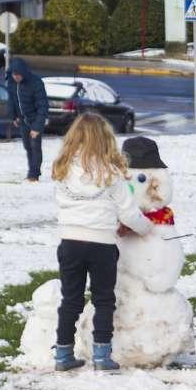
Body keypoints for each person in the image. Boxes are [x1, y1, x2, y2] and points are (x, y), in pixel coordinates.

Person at [51, 113, 153, 371]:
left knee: (70, 299)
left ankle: (62, 353)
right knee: (104, 299)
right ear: (105, 139)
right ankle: (102, 355)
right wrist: (145, 227)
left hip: (70, 241)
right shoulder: (111, 174)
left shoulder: (62, 170)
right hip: (102, 244)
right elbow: (128, 213)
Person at [7, 57, 49, 183]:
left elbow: (43, 106)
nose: (16, 77)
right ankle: (32, 171)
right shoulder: (12, 82)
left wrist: (37, 127)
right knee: (28, 147)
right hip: (22, 120)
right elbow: (12, 100)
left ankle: (34, 174)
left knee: (35, 146)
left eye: (18, 75)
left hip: (35, 119)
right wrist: (13, 116)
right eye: (14, 75)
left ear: (23, 73)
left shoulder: (36, 83)